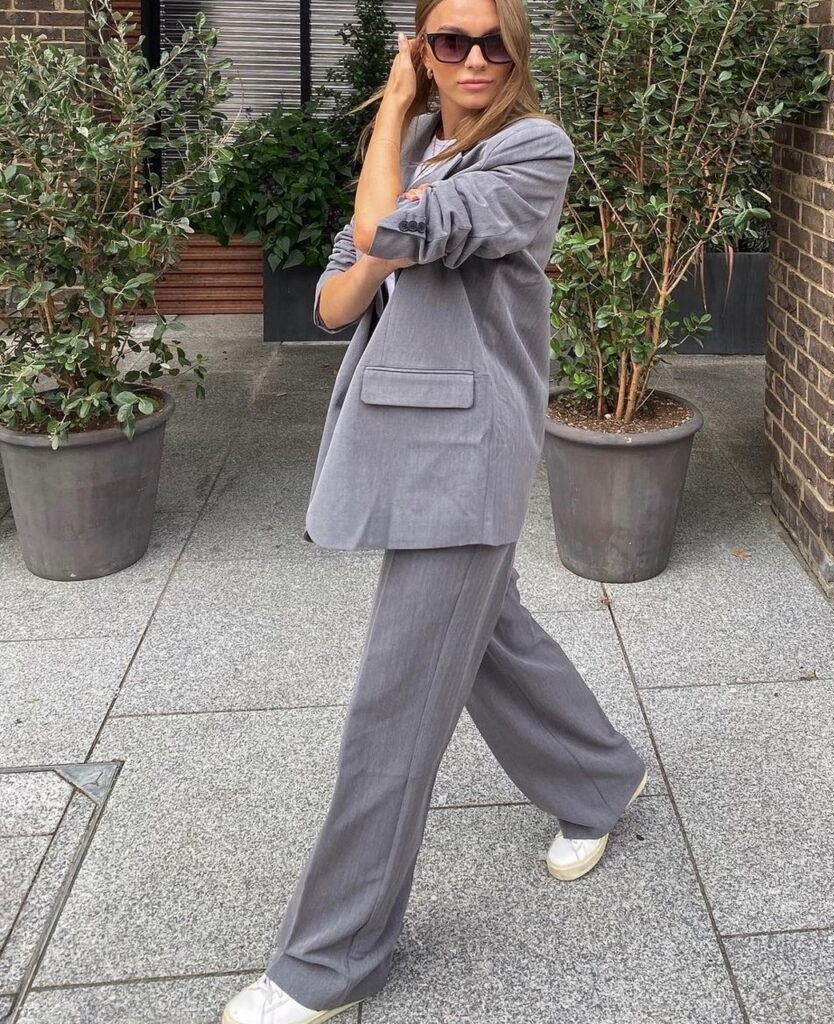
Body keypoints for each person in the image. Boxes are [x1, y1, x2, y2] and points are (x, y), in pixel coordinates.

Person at [222, 2, 647, 1022]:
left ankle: (330, 960)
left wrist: (386, 196)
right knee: (489, 637)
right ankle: (599, 775)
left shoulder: (533, 149)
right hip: (398, 434)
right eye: (447, 40)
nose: (473, 58)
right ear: (420, 47)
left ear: (517, 53)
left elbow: (388, 233)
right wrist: (391, 160)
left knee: (396, 704)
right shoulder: (414, 142)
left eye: (493, 40)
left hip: (466, 452)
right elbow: (334, 296)